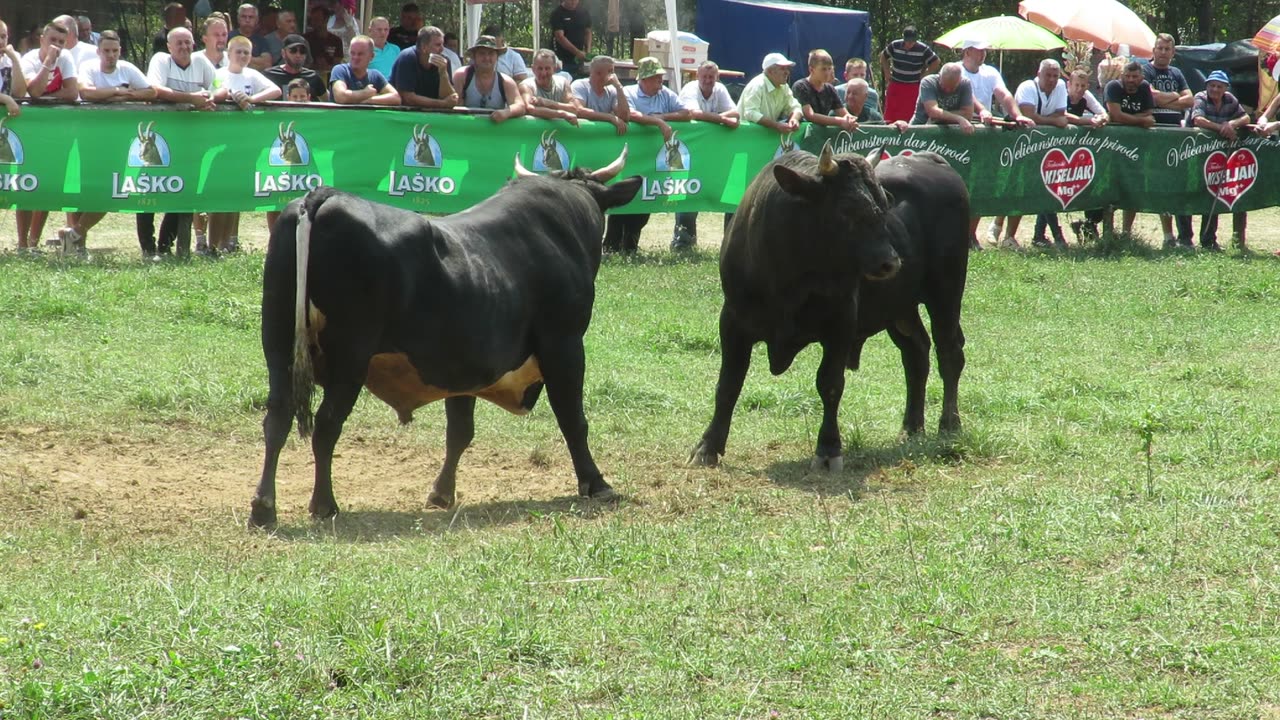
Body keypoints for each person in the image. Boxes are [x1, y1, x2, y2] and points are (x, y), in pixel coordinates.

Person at [57, 30, 155, 257]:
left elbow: (151, 90)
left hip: (118, 141)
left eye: (115, 51)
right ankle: (77, 246)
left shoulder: (127, 68)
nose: (111, 55)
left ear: (120, 51)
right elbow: (86, 92)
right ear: (98, 51)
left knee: (114, 191)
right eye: (107, 51)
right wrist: (118, 91)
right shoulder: (89, 67)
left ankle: (74, 233)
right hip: (89, 137)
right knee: (86, 190)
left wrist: (121, 96)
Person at [603, 56, 691, 254]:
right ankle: (611, 247)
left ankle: (631, 247)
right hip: (629, 157)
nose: (661, 83)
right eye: (657, 79)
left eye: (661, 79)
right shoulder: (629, 93)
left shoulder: (665, 94)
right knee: (622, 203)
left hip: (654, 161)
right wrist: (658, 123)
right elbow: (630, 115)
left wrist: (662, 116)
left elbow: (686, 113)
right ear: (645, 78)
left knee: (645, 202)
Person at [142, 27, 216, 260]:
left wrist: (212, 97)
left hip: (191, 139)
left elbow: (219, 85)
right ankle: (147, 248)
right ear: (169, 46)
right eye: (179, 43)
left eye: (188, 42)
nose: (184, 47)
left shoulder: (202, 63)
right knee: (149, 190)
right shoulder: (160, 60)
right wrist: (191, 98)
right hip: (160, 138)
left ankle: (166, 246)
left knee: (182, 188)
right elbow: (155, 89)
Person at [204, 34, 281, 256]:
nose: (243, 56)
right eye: (239, 51)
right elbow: (212, 94)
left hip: (245, 146)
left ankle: (228, 243)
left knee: (235, 196)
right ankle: (212, 245)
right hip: (220, 145)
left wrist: (251, 100)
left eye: (247, 52)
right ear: (229, 54)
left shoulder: (252, 75)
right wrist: (229, 96)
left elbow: (275, 91)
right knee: (219, 196)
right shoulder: (218, 74)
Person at [958, 39, 1034, 248]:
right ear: (967, 51)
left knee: (981, 184)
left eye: (985, 50)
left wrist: (1017, 115)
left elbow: (1004, 94)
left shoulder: (990, 72)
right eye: (978, 50)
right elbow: (968, 96)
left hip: (983, 136)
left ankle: (971, 235)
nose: (983, 54)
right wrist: (982, 110)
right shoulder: (957, 70)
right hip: (960, 132)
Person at [17, 21, 78, 254]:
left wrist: (47, 98)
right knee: (27, 184)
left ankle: (34, 244)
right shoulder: (30, 59)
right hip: (31, 132)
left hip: (57, 133)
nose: (57, 46)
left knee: (45, 188)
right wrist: (47, 63)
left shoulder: (67, 58)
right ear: (42, 38)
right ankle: (22, 244)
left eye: (61, 42)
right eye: (53, 40)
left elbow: (73, 93)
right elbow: (33, 91)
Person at [672, 60, 739, 250]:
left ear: (717, 77)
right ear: (697, 76)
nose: (708, 80)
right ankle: (683, 242)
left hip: (713, 153)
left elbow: (735, 113)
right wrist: (721, 119)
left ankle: (730, 243)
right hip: (689, 152)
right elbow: (692, 113)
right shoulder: (690, 89)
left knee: (721, 191)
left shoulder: (720, 89)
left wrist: (721, 118)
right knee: (689, 193)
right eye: (704, 76)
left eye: (712, 77)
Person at [1003, 59, 1069, 249]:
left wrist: (1048, 120)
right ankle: (1002, 230)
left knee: (1043, 187)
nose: (1051, 79)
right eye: (1047, 75)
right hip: (1017, 145)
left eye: (1055, 75)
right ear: (1038, 73)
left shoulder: (1061, 87)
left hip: (1043, 147)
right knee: (1015, 187)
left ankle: (1022, 235)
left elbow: (1060, 114)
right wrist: (1054, 122)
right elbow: (1029, 116)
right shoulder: (1027, 87)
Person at [1141, 33, 1194, 248]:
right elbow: (1150, 96)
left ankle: (1184, 238)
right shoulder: (1146, 70)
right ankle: (1167, 235)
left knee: (1176, 184)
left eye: (1167, 49)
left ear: (1173, 52)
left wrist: (1166, 99)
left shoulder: (1177, 72)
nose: (1163, 52)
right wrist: (1175, 97)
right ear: (1153, 50)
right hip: (1153, 134)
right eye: (1160, 48)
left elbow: (1189, 100)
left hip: (1175, 133)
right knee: (1158, 184)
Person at [1190, 70, 1252, 251]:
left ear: (1225, 88)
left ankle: (1209, 240)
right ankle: (1185, 238)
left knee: (1214, 192)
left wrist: (1231, 124)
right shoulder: (1200, 97)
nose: (1215, 89)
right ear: (1207, 85)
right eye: (1212, 85)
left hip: (1217, 157)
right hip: (1192, 152)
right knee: (1190, 192)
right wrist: (1221, 128)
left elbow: (1246, 116)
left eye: (1219, 86)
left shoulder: (1230, 99)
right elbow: (1198, 119)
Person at [1105, 61, 1155, 236]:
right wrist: (1140, 120)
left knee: (1132, 186)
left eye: (1135, 77)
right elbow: (1115, 115)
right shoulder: (1113, 87)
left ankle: (1126, 232)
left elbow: (1150, 113)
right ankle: (1108, 232)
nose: (1131, 80)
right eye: (1127, 76)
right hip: (1112, 145)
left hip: (1136, 146)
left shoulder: (1145, 88)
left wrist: (1124, 117)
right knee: (1110, 186)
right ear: (1122, 76)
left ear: (1141, 77)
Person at [1061, 68, 1108, 243]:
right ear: (1069, 85)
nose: (1079, 89)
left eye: (1083, 85)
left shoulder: (1086, 96)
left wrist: (1102, 119)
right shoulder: (1061, 93)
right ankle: (1042, 234)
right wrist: (1088, 121)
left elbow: (1103, 112)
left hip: (1076, 151)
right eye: (1076, 85)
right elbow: (1061, 114)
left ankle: (1088, 224)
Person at [452, 35, 524, 122]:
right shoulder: (462, 76)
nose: (487, 58)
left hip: (495, 131)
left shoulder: (506, 81)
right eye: (482, 53)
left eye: (491, 53)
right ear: (474, 57)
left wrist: (507, 112)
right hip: (465, 130)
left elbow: (520, 106)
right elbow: (452, 106)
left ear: (497, 57)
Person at [880, 25, 939, 123]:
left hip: (913, 86)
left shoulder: (923, 49)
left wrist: (924, 75)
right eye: (907, 41)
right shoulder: (895, 45)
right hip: (895, 84)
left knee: (909, 114)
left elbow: (936, 62)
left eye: (912, 41)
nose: (909, 44)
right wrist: (887, 72)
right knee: (890, 113)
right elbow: (883, 56)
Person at [391, 26, 457, 109]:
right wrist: (442, 104)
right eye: (438, 45)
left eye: (442, 44)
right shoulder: (407, 58)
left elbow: (449, 97)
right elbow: (407, 98)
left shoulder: (444, 61)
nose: (442, 49)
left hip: (432, 115)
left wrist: (443, 73)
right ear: (424, 47)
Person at [737, 52, 802, 135]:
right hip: (744, 137)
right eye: (782, 68)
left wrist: (795, 119)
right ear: (770, 71)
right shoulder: (757, 85)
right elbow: (750, 113)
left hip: (763, 138)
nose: (787, 72)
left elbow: (796, 107)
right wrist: (776, 125)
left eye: (787, 69)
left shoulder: (784, 87)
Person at [793, 49, 858, 131]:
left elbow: (844, 113)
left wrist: (851, 120)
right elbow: (810, 115)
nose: (827, 73)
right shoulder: (800, 86)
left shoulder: (830, 89)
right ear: (811, 70)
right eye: (823, 69)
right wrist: (840, 121)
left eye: (829, 68)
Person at [330, 34, 400, 105]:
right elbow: (340, 97)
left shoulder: (375, 75)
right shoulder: (340, 70)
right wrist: (365, 93)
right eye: (352, 53)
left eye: (360, 54)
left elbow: (396, 98)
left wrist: (370, 100)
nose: (355, 57)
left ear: (372, 56)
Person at [570, 54, 629, 134]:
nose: (613, 75)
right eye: (610, 71)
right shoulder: (579, 85)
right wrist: (610, 117)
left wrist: (619, 87)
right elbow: (579, 111)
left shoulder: (613, 90)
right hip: (581, 136)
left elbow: (624, 117)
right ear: (598, 73)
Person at [911, 62, 975, 133]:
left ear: (959, 81)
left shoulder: (965, 84)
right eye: (944, 86)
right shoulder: (928, 82)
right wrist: (959, 118)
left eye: (952, 88)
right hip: (920, 127)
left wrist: (940, 117)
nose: (947, 90)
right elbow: (933, 112)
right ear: (939, 75)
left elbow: (968, 114)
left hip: (951, 131)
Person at [520, 48, 579, 124]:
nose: (543, 73)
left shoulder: (563, 83)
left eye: (547, 69)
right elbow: (530, 109)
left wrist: (547, 103)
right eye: (540, 68)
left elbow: (574, 109)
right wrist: (561, 114)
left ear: (554, 69)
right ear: (533, 69)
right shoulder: (526, 86)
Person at [264, 34, 328, 101]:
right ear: (283, 53)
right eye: (293, 51)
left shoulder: (313, 77)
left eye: (302, 51)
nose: (298, 55)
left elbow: (326, 101)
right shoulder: (269, 75)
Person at [550, 0, 591, 77]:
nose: (573, 2)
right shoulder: (557, 13)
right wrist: (577, 52)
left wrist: (587, 51)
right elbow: (560, 36)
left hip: (579, 60)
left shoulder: (584, 12)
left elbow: (588, 32)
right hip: (562, 60)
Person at [229, 3, 272, 71]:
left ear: (257, 20)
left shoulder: (261, 40)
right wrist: (256, 61)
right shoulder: (229, 36)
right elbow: (226, 60)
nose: (247, 20)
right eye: (243, 16)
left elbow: (267, 64)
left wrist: (239, 57)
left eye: (251, 17)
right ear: (238, 19)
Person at [304, 4, 344, 76]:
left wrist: (327, 67)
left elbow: (337, 64)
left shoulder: (336, 41)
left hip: (330, 76)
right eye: (311, 19)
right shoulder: (305, 39)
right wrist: (315, 65)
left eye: (317, 19)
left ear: (326, 19)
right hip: (309, 76)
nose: (313, 23)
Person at [0, 18, 29, 109]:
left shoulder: (13, 56)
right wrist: (5, 99)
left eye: (3, 37)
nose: (0, 42)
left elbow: (20, 93)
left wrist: (14, 60)